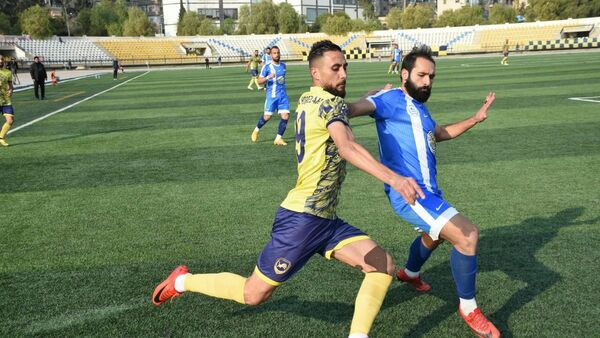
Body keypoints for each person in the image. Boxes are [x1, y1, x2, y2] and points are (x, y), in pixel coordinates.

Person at [152, 40, 424, 338]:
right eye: (335, 68)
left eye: (345, 66)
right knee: (253, 293)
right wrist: (395, 179)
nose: (343, 73)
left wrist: (369, 97)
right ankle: (182, 281)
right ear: (316, 73)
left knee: (381, 265)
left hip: (325, 219)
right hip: (302, 220)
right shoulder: (330, 104)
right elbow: (346, 146)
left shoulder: (310, 98)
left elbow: (343, 110)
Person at [349, 45, 500, 338]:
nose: (427, 81)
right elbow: (353, 109)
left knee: (434, 235)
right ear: (404, 74)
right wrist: (372, 92)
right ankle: (469, 308)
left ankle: (411, 273)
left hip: (430, 192)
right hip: (411, 194)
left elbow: (440, 134)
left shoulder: (420, 108)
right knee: (467, 235)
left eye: (431, 76)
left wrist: (475, 118)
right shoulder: (392, 98)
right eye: (421, 75)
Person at [251, 46, 290, 146]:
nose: (276, 55)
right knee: (267, 117)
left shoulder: (283, 66)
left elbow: (281, 79)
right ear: (271, 55)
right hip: (272, 96)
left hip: (283, 96)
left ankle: (278, 138)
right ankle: (256, 130)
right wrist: (268, 77)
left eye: (278, 53)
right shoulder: (267, 67)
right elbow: (259, 81)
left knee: (285, 116)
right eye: (274, 53)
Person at [0, 56, 15, 146]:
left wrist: (11, 90)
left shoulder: (8, 72)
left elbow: (10, 84)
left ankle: (1, 138)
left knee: (10, 120)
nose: (0, 61)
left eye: (2, 60)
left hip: (5, 100)